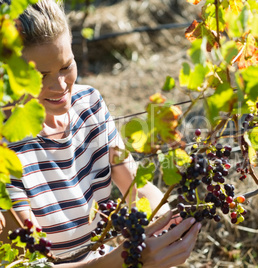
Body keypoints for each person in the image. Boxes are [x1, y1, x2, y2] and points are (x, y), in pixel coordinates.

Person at [0, 0, 200, 266]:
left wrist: (169, 224)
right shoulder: (5, 151)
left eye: (66, 67)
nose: (59, 86)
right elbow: (30, 263)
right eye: (40, 76)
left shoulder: (89, 103)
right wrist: (124, 261)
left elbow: (136, 189)